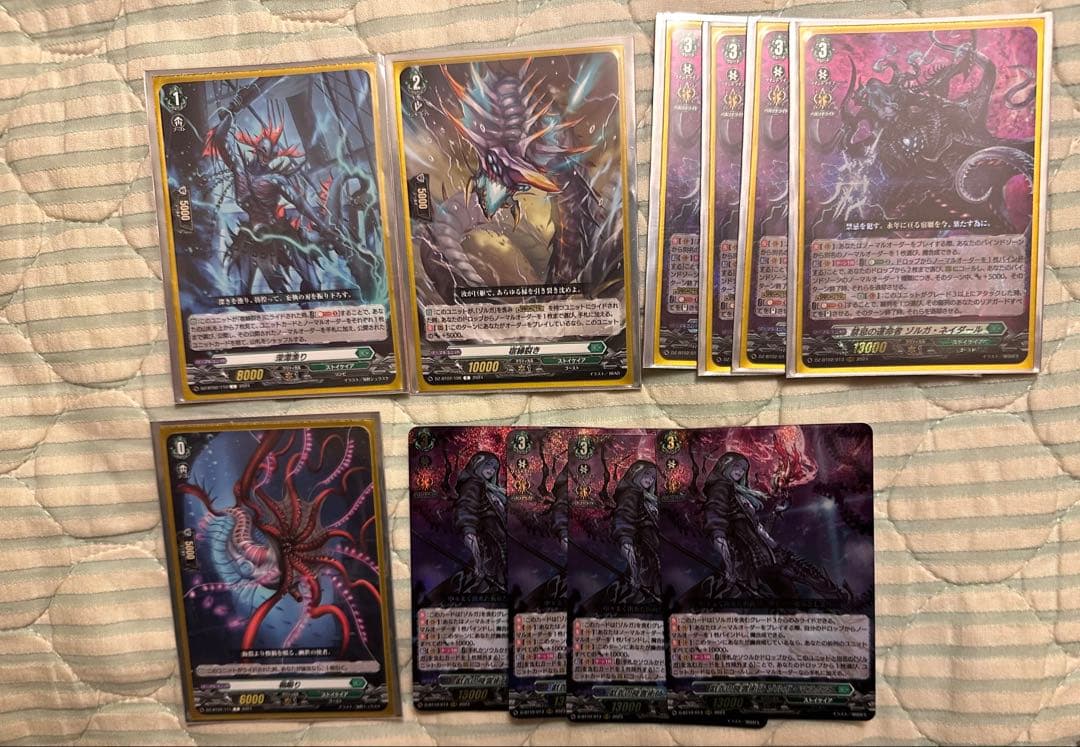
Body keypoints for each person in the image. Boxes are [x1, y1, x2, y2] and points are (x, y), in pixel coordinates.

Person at [454, 451, 506, 585]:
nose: (492, 470)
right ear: (478, 464)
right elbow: (467, 514)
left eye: (495, 467)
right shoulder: (473, 484)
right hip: (491, 547)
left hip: (498, 545)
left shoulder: (489, 488)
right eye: (488, 465)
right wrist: (478, 562)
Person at [611, 460, 661, 597]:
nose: (650, 479)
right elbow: (624, 530)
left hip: (651, 559)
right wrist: (634, 572)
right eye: (647, 474)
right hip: (643, 561)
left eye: (653, 477)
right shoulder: (631, 494)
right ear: (636, 473)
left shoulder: (646, 497)